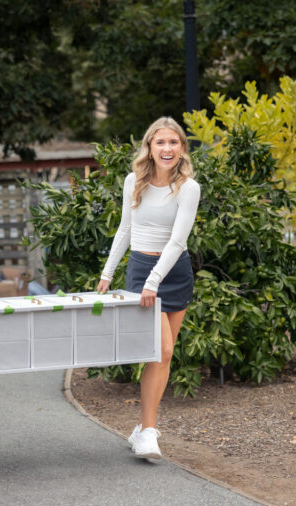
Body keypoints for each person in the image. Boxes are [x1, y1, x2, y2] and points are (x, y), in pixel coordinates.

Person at [96, 116, 200, 462]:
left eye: (174, 142)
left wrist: (157, 281)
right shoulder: (133, 181)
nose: (167, 149)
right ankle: (149, 433)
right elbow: (124, 230)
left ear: (181, 148)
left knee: (164, 355)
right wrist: (108, 273)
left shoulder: (188, 188)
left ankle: (143, 429)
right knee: (160, 351)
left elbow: (177, 240)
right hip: (142, 271)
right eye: (161, 143)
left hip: (174, 272)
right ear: (150, 147)